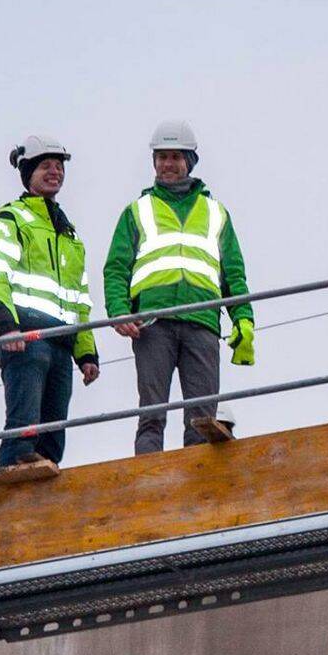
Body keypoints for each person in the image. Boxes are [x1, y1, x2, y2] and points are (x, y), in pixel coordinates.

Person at [104, 120, 255, 454]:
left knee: (202, 418)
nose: (167, 164)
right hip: (153, 324)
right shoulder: (138, 211)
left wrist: (244, 319)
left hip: (202, 322)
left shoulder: (216, 213)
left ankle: (197, 479)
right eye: (162, 157)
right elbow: (116, 269)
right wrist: (118, 311)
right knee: (152, 413)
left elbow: (233, 274)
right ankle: (148, 475)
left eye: (175, 157)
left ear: (190, 161)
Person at [0, 135, 101, 467]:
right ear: (28, 172)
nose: (55, 172)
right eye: (46, 166)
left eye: (59, 166)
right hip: (26, 340)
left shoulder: (69, 235)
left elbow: (79, 302)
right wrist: (6, 327)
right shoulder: (10, 219)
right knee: (23, 430)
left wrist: (86, 353)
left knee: (53, 437)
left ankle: (44, 486)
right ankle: (11, 484)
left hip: (61, 344)